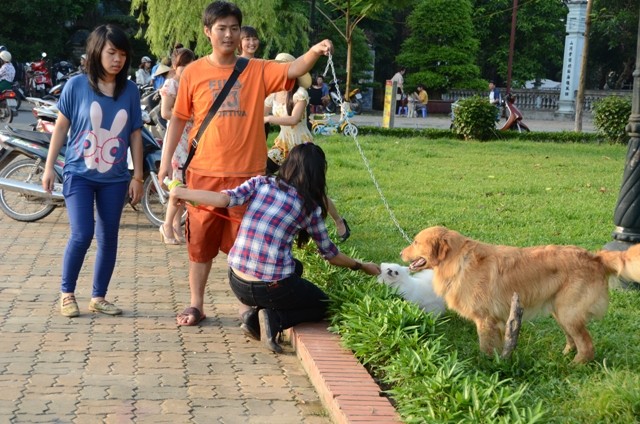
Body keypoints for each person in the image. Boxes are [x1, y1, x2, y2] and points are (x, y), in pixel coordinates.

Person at [158, 0, 334, 327]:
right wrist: (166, 162)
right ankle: (196, 304)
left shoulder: (257, 69)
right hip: (203, 174)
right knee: (200, 243)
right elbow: (179, 121)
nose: (228, 34)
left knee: (244, 243)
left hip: (247, 177)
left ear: (240, 33)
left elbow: (294, 70)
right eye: (221, 28)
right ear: (207, 32)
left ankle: (245, 305)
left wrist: (314, 51)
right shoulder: (194, 72)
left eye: (234, 28)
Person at [169, 143, 380, 352]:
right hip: (269, 288)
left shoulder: (261, 183)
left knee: (295, 268)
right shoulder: (310, 207)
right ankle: (275, 318)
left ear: (288, 165)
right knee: (323, 303)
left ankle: (255, 317)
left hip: (237, 281)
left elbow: (224, 199)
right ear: (318, 175)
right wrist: (360, 266)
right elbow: (331, 254)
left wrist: (183, 193)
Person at [41, 24, 144, 318]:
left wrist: (137, 176)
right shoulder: (75, 86)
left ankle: (98, 297)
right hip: (79, 174)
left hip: (115, 178)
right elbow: (61, 127)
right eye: (112, 52)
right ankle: (67, 293)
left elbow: (135, 134)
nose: (118, 60)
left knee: (108, 237)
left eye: (123, 54)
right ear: (97, 51)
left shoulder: (130, 91)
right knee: (82, 233)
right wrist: (49, 167)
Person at [264, 52, 350, 241]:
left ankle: (339, 221)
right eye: (277, 69)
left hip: (300, 144)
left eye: (284, 68)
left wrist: (269, 118)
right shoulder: (273, 95)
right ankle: (280, 219)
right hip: (282, 143)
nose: (281, 72)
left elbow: (294, 118)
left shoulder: (300, 93)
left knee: (311, 188)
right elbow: (258, 112)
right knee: (263, 172)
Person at [158, 47, 196, 245]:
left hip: (192, 139)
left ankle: (175, 226)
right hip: (177, 139)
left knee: (186, 186)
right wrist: (190, 117)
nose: (187, 68)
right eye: (183, 65)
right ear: (175, 66)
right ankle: (166, 225)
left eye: (190, 64)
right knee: (178, 185)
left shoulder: (193, 83)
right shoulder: (171, 84)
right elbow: (165, 112)